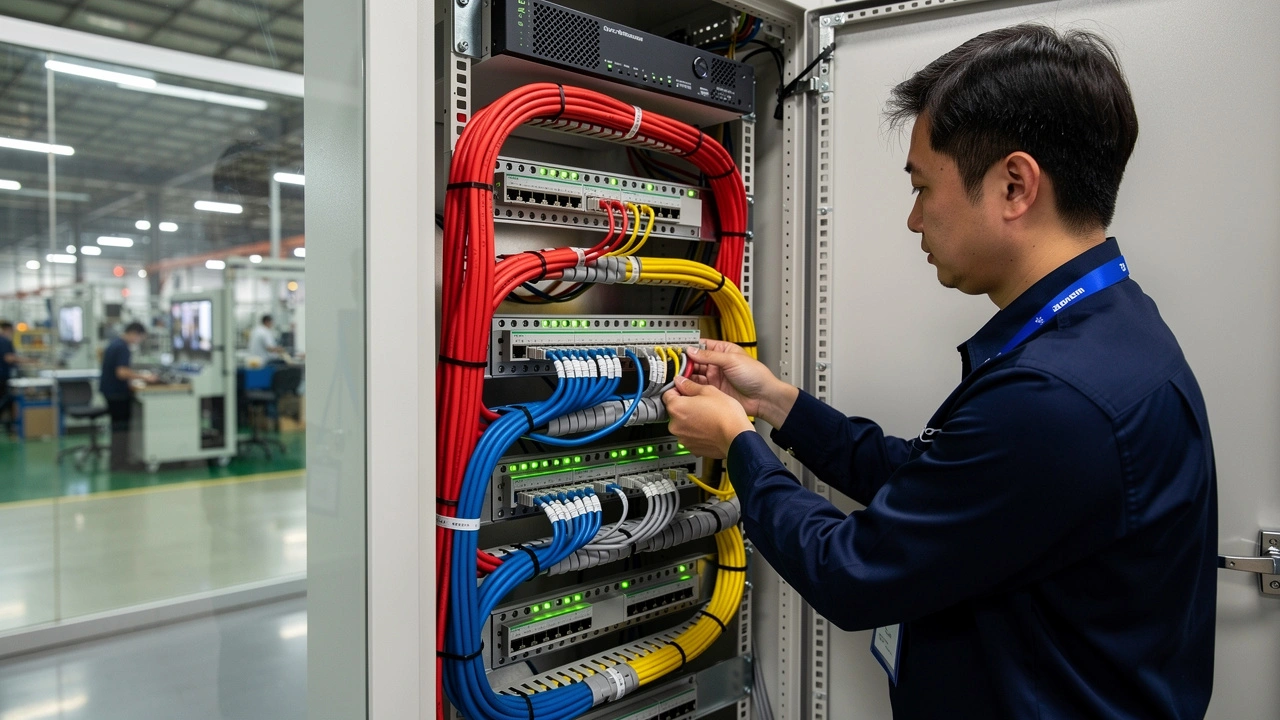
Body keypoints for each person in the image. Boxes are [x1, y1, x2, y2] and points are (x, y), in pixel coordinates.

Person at [663, 25, 1216, 720]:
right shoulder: (1114, 333)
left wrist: (738, 444)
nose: (914, 218)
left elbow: (852, 571)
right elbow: (948, 495)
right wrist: (779, 404)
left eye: (924, 187)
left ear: (1015, 184)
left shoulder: (1057, 399)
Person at [101, 322, 156, 471]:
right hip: (117, 394)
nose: (138, 342)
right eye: (140, 338)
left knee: (117, 426)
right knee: (121, 428)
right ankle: (120, 462)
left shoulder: (115, 344)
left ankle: (118, 458)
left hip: (110, 391)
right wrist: (144, 377)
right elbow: (121, 372)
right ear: (134, 334)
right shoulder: (122, 347)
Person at [0, 321, 24, 435]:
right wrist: (27, 360)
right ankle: (10, 426)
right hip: (3, 376)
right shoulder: (4, 341)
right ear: (8, 329)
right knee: (6, 399)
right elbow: (9, 358)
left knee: (8, 400)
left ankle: (10, 427)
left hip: (4, 375)